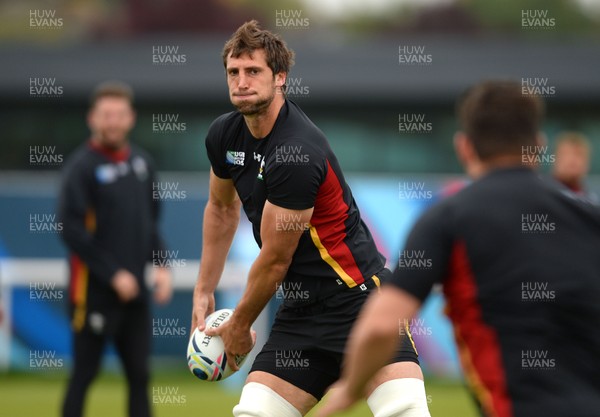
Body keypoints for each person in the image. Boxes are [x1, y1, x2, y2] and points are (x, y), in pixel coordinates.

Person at [316, 80, 600, 417]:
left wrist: (351, 388)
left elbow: (382, 325)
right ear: (538, 146)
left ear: (464, 146)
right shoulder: (589, 216)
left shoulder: (448, 218)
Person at [191, 20, 431, 417]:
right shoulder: (223, 135)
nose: (241, 81)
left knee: (405, 412)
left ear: (280, 77)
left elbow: (274, 260)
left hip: (359, 303)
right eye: (233, 72)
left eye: (254, 71)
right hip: (300, 313)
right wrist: (204, 290)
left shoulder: (296, 152)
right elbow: (220, 208)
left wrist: (238, 327)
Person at [58, 81, 172, 417]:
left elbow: (150, 224)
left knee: (140, 376)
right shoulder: (81, 168)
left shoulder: (142, 163)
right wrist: (113, 274)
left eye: (119, 114)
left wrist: (162, 264)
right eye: (106, 114)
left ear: (131, 118)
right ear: (92, 118)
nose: (113, 121)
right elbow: (71, 230)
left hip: (136, 292)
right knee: (84, 375)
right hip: (93, 292)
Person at [552, 131, 598, 203]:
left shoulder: (593, 201)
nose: (572, 160)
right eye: (566, 154)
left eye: (579, 154)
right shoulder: (543, 194)